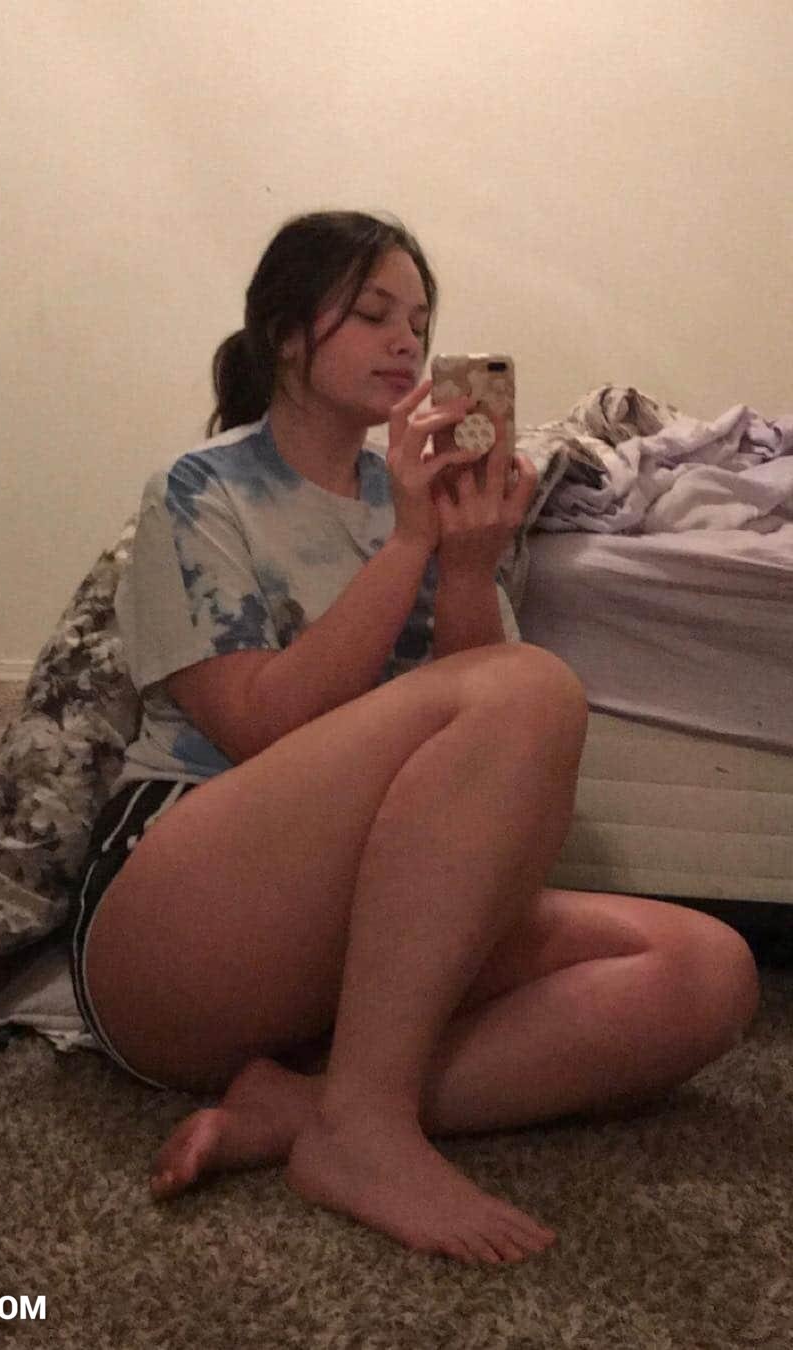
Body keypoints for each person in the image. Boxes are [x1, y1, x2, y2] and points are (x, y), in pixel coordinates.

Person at [66, 210, 759, 1265]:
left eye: (420, 324)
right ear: (285, 334)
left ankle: (309, 1105)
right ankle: (367, 1128)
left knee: (705, 971)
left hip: (363, 931)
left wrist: (468, 569)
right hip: (178, 923)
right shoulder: (201, 491)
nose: (406, 343)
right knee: (532, 687)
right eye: (373, 314)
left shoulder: (419, 500)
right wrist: (408, 548)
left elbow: (490, 775)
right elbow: (260, 724)